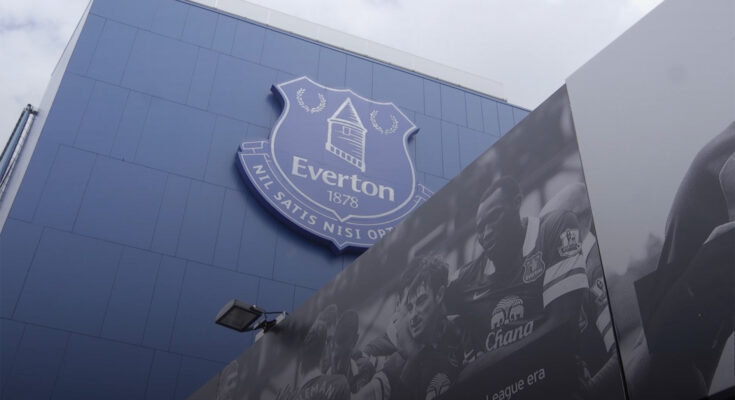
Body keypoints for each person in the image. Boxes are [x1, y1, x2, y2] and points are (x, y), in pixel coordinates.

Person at [444, 176, 589, 387]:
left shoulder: (554, 228)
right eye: (480, 229)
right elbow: (427, 304)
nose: (487, 233)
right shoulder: (468, 277)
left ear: (516, 203)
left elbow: (564, 328)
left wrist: (485, 365)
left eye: (494, 217)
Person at [539, 183, 623, 399]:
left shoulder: (594, 268)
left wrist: (589, 391)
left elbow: (620, 354)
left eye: (552, 226)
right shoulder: (570, 273)